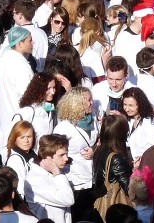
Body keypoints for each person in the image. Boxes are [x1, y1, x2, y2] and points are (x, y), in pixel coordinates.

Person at [53, 88, 98, 220]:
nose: (92, 103)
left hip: (92, 178)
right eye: (88, 100)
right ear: (77, 104)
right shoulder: (63, 128)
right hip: (75, 180)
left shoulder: (93, 118)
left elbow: (98, 140)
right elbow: (55, 154)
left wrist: (94, 149)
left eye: (91, 99)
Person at [0, 26, 36, 160]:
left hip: (6, 110)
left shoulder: (3, 59)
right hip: (19, 112)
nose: (33, 43)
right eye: (30, 41)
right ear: (19, 44)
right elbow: (28, 95)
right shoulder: (20, 65)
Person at [24, 134, 75, 223]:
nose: (66, 158)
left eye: (66, 154)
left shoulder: (56, 170)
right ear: (48, 157)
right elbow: (68, 199)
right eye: (61, 155)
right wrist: (57, 172)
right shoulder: (36, 179)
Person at [92, 113, 133, 213]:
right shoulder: (116, 158)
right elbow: (129, 188)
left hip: (100, 198)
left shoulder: (99, 150)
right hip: (116, 207)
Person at [4, 121, 37, 197]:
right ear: (15, 140)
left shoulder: (32, 155)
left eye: (29, 137)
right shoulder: (15, 160)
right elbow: (20, 188)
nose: (26, 141)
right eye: (22, 137)